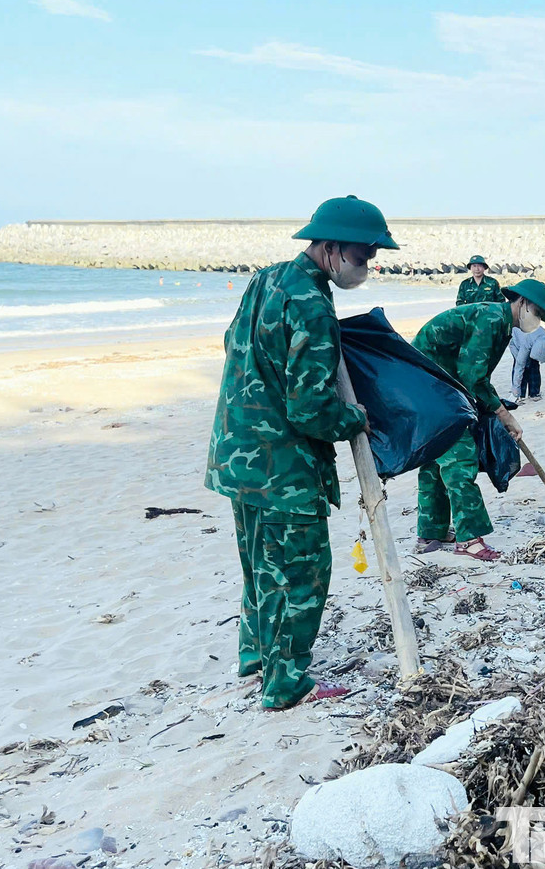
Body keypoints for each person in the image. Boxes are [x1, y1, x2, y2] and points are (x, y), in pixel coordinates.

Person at [205, 194, 394, 709]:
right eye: (363, 255)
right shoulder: (311, 303)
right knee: (299, 574)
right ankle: (285, 684)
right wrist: (356, 418)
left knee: (259, 564)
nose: (368, 265)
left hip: (235, 452)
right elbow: (310, 408)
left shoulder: (266, 278)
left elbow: (232, 342)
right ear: (331, 249)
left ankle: (255, 658)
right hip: (282, 466)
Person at [413, 278, 545, 562]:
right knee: (460, 459)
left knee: (435, 457)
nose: (537, 320)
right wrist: (504, 414)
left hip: (435, 386)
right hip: (432, 387)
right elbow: (472, 377)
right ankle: (468, 540)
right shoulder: (491, 320)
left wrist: (494, 410)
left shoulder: (501, 323)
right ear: (522, 303)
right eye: (537, 312)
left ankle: (431, 532)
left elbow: (475, 377)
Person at [509, 322, 545, 404]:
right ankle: (519, 395)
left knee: (534, 366)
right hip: (516, 343)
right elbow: (519, 367)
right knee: (522, 366)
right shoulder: (525, 344)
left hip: (531, 339)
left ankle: (534, 393)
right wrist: (515, 392)